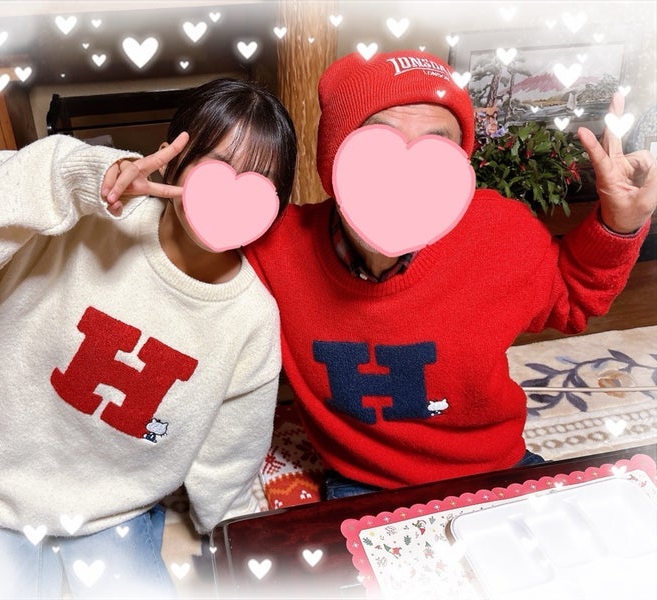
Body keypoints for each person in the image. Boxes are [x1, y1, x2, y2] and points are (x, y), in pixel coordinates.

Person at [0, 77, 297, 598]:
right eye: (215, 165)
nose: (230, 191)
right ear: (172, 158)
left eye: (258, 183)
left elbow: (230, 455)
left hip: (112, 511)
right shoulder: (79, 217)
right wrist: (72, 177)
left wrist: (246, 544)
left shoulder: (252, 317)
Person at [242, 50, 656, 500]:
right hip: (365, 482)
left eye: (434, 152)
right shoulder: (276, 248)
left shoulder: (500, 233)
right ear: (334, 159)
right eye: (378, 146)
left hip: (494, 465)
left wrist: (618, 224)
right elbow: (196, 288)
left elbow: (573, 297)